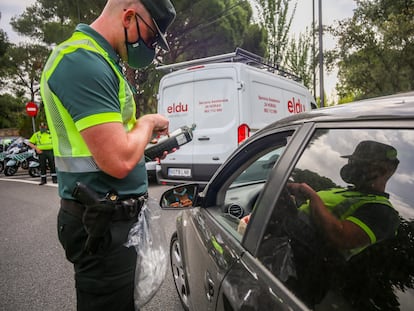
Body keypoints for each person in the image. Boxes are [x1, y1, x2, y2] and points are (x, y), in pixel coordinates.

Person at [39, 0, 176, 310]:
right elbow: (117, 160)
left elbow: (109, 141)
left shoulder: (102, 59)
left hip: (111, 218)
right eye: (152, 37)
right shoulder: (82, 61)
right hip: (101, 222)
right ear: (129, 16)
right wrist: (147, 122)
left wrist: (142, 139)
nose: (151, 47)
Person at [287, 140, 400, 259]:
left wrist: (313, 197)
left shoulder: (384, 212)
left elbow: (341, 237)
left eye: (360, 164)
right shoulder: (344, 192)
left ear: (381, 171)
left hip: (296, 262)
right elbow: (310, 212)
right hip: (285, 239)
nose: (351, 166)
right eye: (352, 161)